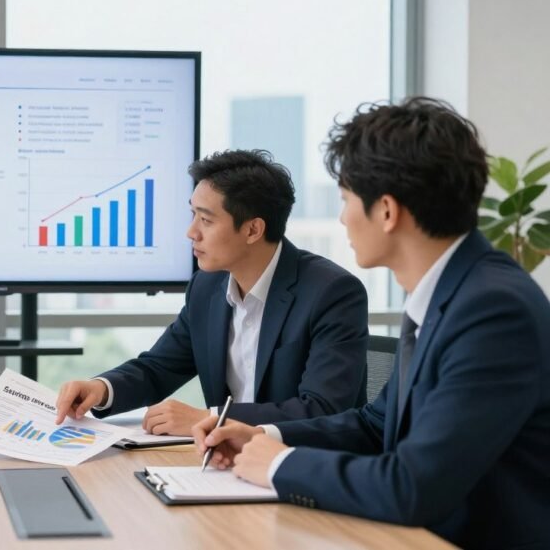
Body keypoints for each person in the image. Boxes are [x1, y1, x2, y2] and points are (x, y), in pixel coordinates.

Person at [193, 97, 550, 549]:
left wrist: (281, 465)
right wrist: (262, 435)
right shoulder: (449, 291)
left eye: (345, 200)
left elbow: (413, 486)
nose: (342, 217)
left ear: (386, 210)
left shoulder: (493, 310)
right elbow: (373, 425)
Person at [56, 149, 369, 434]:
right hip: (225, 464)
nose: (191, 232)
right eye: (193, 215)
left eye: (205, 219)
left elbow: (323, 409)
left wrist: (212, 418)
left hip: (301, 466)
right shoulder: (207, 287)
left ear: (252, 230)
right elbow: (159, 367)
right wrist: (101, 388)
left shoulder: (332, 293)